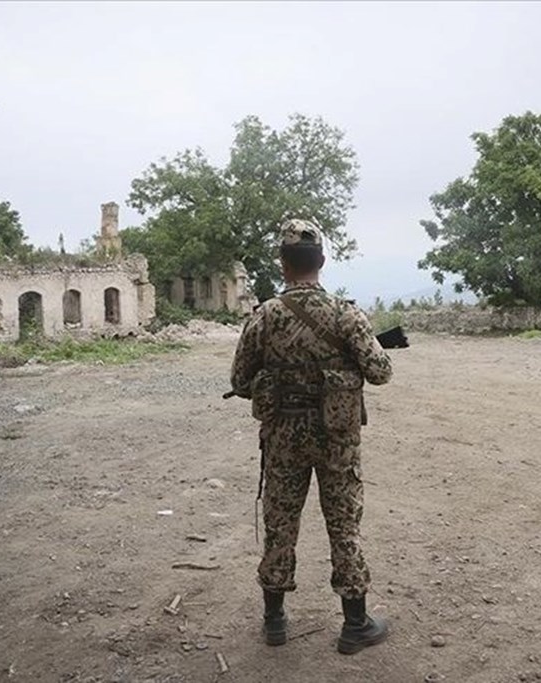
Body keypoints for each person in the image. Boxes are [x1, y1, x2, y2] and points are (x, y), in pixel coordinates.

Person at [229, 218, 393, 655]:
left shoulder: (265, 317)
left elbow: (240, 379)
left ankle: (275, 621)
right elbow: (381, 372)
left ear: (283, 265)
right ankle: (355, 625)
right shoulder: (346, 314)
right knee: (344, 526)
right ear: (321, 261)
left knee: (280, 525)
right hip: (337, 441)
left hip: (283, 438)